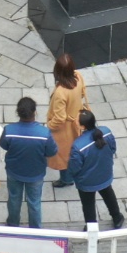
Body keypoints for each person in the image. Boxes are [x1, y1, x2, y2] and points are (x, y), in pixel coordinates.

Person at [0, 97, 58, 228]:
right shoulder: (44, 133)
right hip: (36, 173)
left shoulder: (9, 130)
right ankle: (35, 229)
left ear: (18, 112)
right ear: (35, 112)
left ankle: (13, 224)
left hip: (14, 171)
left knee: (14, 198)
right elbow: (52, 152)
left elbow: (4, 145)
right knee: (34, 202)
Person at [67, 110, 125, 229]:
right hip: (105, 174)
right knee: (108, 194)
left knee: (88, 204)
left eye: (77, 120)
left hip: (86, 181)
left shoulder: (78, 145)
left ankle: (92, 228)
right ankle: (117, 218)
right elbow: (113, 149)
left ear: (82, 126)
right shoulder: (106, 132)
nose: (75, 120)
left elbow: (74, 167)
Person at [46, 54, 86, 187]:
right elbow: (82, 93)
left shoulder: (61, 92)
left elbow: (59, 118)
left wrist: (49, 125)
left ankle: (66, 179)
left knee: (63, 156)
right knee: (72, 151)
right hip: (77, 120)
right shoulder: (78, 76)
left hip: (65, 130)